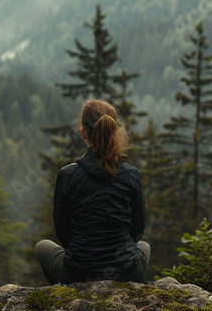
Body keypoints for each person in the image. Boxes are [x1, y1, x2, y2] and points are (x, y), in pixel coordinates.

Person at [35, 99, 150, 284]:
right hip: (126, 272)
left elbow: (62, 230)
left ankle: (65, 292)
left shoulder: (68, 175)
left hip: (79, 272)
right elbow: (137, 230)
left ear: (83, 132)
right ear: (115, 132)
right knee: (144, 246)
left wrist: (85, 255)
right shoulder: (131, 174)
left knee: (42, 247)